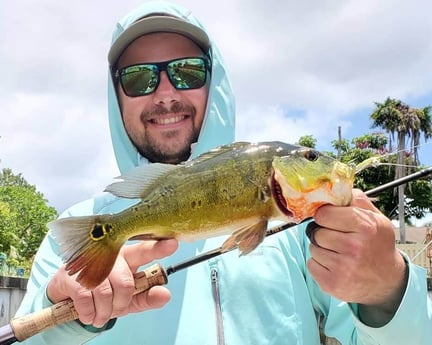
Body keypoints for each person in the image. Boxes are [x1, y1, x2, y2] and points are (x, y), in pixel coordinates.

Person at [16, 1, 432, 344]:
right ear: (115, 96)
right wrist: (68, 316)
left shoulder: (307, 235)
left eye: (187, 72)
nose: (165, 94)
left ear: (214, 84)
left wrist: (388, 293)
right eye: (140, 78)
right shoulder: (70, 235)